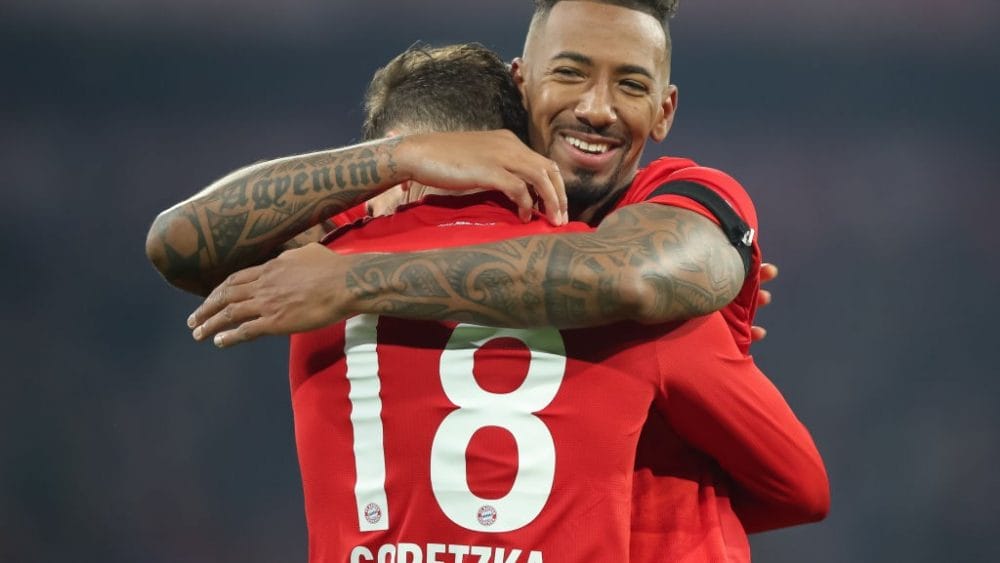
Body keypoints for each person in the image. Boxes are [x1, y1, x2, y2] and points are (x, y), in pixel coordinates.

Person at [145, 0, 829, 559]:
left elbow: (628, 276)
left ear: (665, 111)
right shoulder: (658, 314)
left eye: (630, 84)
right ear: (521, 81)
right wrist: (403, 156)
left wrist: (351, 278)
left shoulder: (677, 203)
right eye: (572, 73)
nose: (597, 107)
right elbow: (176, 242)